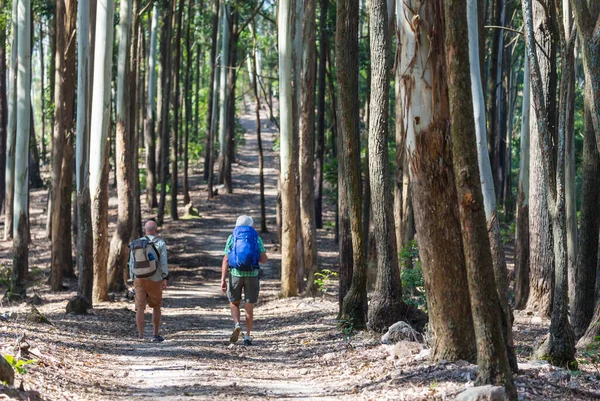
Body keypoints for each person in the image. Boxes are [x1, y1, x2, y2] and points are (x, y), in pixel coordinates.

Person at [221, 215, 268, 345]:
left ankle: (236, 324)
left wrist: (223, 279)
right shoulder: (256, 238)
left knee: (234, 303)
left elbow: (226, 260)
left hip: (235, 274)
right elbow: (264, 259)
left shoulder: (232, 238)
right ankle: (247, 336)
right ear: (250, 225)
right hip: (252, 275)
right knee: (249, 305)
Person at [129, 220, 169, 342]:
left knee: (140, 308)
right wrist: (165, 277)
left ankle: (140, 336)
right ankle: (155, 334)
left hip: (139, 279)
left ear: (145, 230)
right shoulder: (160, 243)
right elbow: (163, 262)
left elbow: (131, 263)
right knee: (156, 306)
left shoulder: (136, 243)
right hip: (155, 279)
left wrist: (133, 278)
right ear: (155, 230)